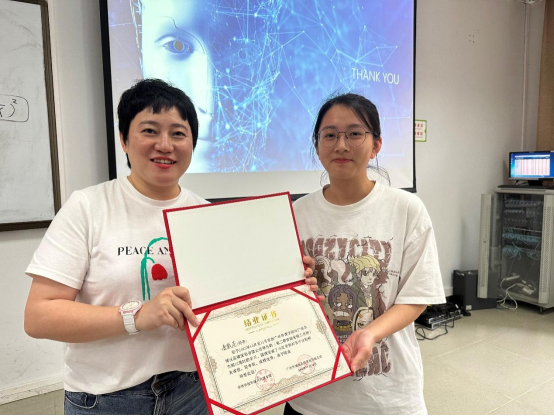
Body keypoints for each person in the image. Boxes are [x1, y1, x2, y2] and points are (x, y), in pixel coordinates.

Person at [23, 79, 318, 416]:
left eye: (178, 133)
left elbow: (234, 303)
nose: (165, 145)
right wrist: (138, 316)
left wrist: (289, 283)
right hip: (107, 398)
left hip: (194, 392)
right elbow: (39, 316)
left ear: (192, 143)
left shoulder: (207, 215)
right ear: (124, 139)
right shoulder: (89, 207)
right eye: (150, 131)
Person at [288, 93, 445, 415]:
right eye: (329, 135)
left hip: (386, 397)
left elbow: (417, 296)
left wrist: (369, 333)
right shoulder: (296, 213)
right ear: (317, 146)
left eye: (354, 133)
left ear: (376, 145)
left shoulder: (406, 209)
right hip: (311, 395)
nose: (341, 145)